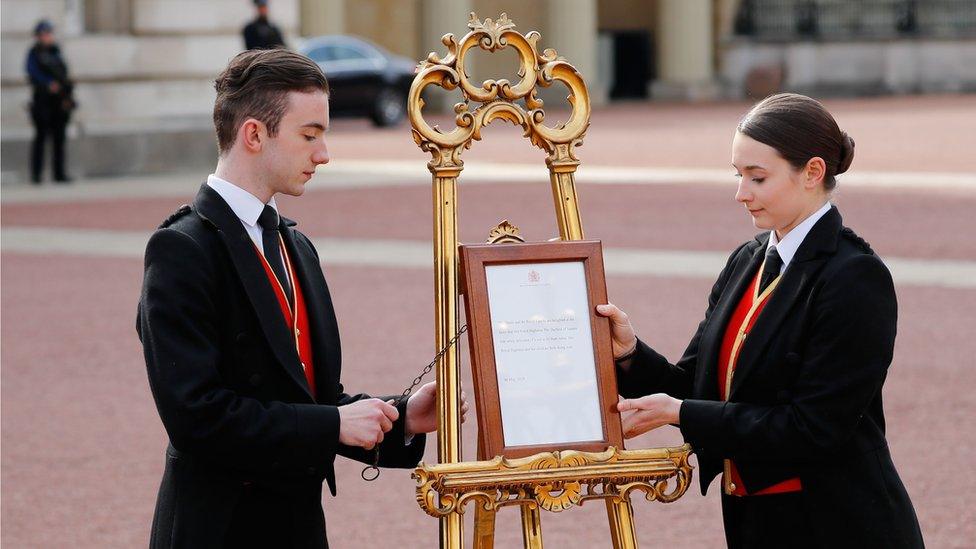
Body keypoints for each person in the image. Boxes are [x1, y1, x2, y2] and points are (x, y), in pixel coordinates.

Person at [137, 48, 465, 548]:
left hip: (297, 526)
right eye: (309, 135)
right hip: (219, 528)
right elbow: (196, 417)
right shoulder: (181, 249)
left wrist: (399, 419)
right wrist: (333, 423)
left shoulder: (295, 243)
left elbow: (307, 397)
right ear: (254, 134)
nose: (324, 153)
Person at [597, 93, 923, 548]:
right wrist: (629, 353)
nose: (741, 193)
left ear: (812, 172)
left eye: (758, 177)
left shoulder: (855, 277)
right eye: (738, 175)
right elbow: (696, 387)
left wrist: (681, 413)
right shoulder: (746, 260)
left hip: (839, 525)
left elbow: (813, 429)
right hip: (756, 524)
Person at [25, 19, 75, 184]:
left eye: (49, 33)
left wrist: (67, 95)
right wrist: (48, 84)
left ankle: (59, 173)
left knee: (59, 139)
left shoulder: (56, 52)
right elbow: (32, 73)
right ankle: (36, 175)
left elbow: (65, 74)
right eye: (44, 34)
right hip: (42, 102)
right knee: (40, 138)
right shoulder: (34, 53)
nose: (47, 36)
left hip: (58, 103)